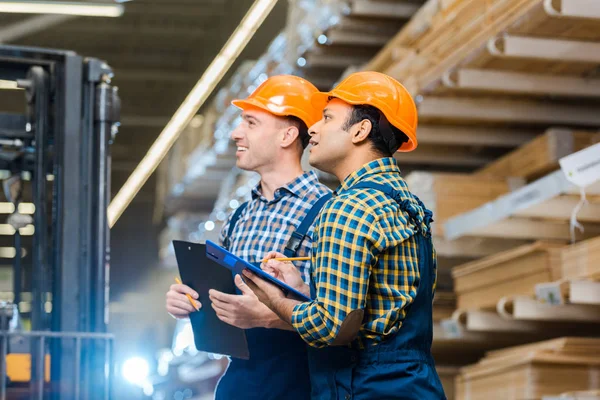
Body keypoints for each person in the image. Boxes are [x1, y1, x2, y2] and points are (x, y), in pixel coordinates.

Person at [243, 71, 447, 399]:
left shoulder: (348, 207)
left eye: (326, 118)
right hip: (414, 385)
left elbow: (332, 327)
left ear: (361, 130)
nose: (313, 128)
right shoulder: (409, 204)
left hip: (365, 386)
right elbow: (380, 307)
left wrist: (274, 299)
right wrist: (303, 291)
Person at [165, 74, 331, 400]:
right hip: (241, 382)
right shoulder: (241, 217)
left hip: (301, 385)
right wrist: (190, 301)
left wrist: (270, 315)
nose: (236, 133)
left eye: (251, 123)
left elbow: (339, 316)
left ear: (287, 135)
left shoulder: (328, 212)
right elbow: (224, 297)